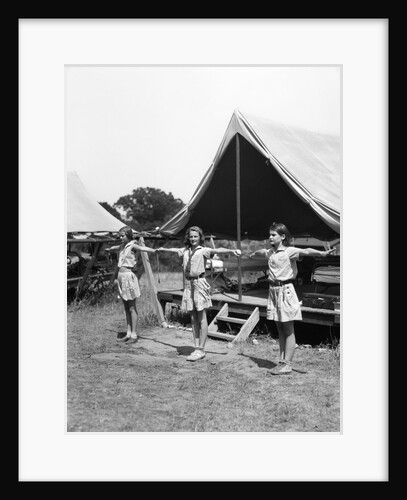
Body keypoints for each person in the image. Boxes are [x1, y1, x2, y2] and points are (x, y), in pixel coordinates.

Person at [249, 222, 336, 375]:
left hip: (286, 291)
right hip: (273, 291)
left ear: (282, 236)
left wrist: (322, 254)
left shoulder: (289, 251)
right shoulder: (270, 252)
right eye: (269, 234)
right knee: (279, 328)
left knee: (288, 329)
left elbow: (306, 251)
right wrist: (252, 254)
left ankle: (287, 364)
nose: (270, 237)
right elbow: (261, 252)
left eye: (273, 235)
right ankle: (282, 361)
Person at [158, 226, 241, 361]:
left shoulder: (204, 251)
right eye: (191, 236)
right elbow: (172, 250)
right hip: (188, 285)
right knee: (193, 317)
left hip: (199, 284)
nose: (193, 239)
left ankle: (201, 349)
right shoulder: (185, 250)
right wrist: (160, 249)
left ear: (200, 237)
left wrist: (232, 250)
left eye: (195, 236)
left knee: (202, 317)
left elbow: (217, 250)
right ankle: (196, 347)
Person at [105, 226, 157, 344]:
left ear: (128, 235)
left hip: (128, 276)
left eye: (123, 235)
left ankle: (134, 334)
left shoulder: (133, 245)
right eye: (120, 236)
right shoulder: (122, 246)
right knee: (126, 307)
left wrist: (155, 250)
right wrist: (109, 249)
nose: (121, 238)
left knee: (132, 307)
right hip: (121, 277)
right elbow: (115, 248)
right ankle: (128, 333)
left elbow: (143, 248)